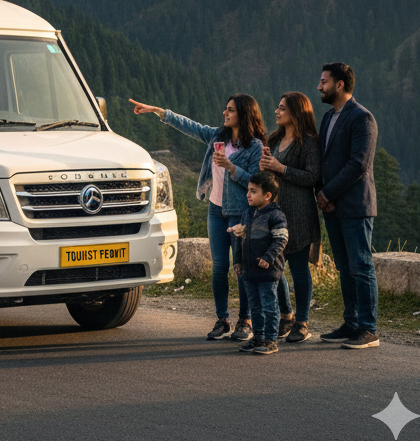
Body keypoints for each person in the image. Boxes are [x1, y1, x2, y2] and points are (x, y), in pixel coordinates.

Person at [129, 94, 266, 341]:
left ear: (244, 115)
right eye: (225, 109)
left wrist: (231, 167)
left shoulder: (254, 146)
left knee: (241, 269)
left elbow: (257, 182)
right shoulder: (217, 136)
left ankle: (245, 320)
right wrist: (160, 111)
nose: (225, 113)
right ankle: (222, 319)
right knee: (219, 267)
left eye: (231, 110)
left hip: (239, 212)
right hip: (215, 210)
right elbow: (191, 126)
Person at [314, 62, 380, 349]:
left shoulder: (362, 118)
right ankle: (351, 322)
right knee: (344, 267)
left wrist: (327, 193)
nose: (319, 86)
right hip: (332, 206)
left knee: (361, 266)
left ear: (340, 84)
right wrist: (322, 193)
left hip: (354, 205)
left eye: (324, 81)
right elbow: (322, 160)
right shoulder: (328, 118)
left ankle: (368, 329)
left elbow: (358, 165)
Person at [260, 92, 322, 343]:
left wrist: (280, 168)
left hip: (299, 212)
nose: (276, 111)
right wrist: (265, 167)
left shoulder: (308, 142)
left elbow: (312, 177)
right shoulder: (274, 139)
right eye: (277, 106)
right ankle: (286, 314)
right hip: (274, 212)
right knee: (274, 266)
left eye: (282, 108)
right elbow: (269, 171)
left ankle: (302, 321)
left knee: (298, 269)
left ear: (296, 112)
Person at [229, 171, 289, 355]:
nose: (248, 195)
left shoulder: (276, 216)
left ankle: (271, 340)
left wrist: (268, 258)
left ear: (267, 195)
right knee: (254, 306)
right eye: (248, 190)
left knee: (269, 305)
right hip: (249, 270)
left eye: (253, 191)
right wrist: (238, 261)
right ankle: (258, 337)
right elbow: (241, 239)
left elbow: (281, 240)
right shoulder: (247, 213)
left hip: (267, 271)